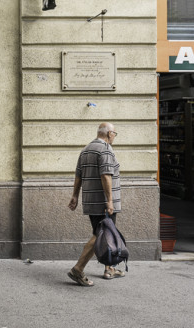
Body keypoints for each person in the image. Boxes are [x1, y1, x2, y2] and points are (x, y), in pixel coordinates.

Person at [67, 122, 123, 286]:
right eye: (115, 134)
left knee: (106, 234)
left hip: (91, 201)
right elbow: (106, 176)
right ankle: (78, 269)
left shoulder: (86, 149)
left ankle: (109, 268)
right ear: (109, 133)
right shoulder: (105, 149)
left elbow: (78, 175)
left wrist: (75, 196)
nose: (114, 137)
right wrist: (110, 201)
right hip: (103, 203)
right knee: (101, 234)